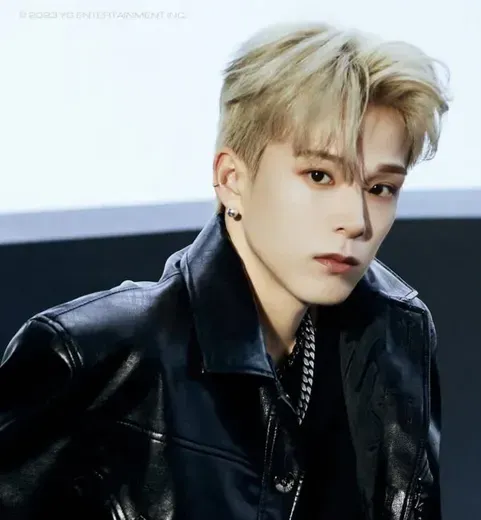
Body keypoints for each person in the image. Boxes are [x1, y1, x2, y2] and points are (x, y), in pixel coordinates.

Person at [0, 21, 449, 520]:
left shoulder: (395, 339)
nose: (356, 221)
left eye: (381, 188)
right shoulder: (97, 357)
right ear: (231, 179)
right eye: (320, 175)